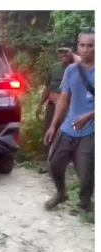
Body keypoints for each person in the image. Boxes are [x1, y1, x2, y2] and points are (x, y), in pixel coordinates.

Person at [43, 27, 95, 214]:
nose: (85, 49)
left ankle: (84, 204)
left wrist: (89, 115)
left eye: (90, 45)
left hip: (91, 129)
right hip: (69, 127)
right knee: (54, 163)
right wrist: (53, 125)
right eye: (82, 45)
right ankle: (61, 193)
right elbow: (64, 99)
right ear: (77, 46)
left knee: (86, 171)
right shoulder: (72, 70)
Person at [36, 41, 77, 172]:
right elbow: (48, 88)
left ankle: (66, 164)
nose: (62, 54)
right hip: (52, 106)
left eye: (65, 51)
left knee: (65, 134)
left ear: (72, 51)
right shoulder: (55, 68)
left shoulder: (77, 68)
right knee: (48, 132)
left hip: (68, 108)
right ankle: (47, 162)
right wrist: (40, 105)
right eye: (60, 51)